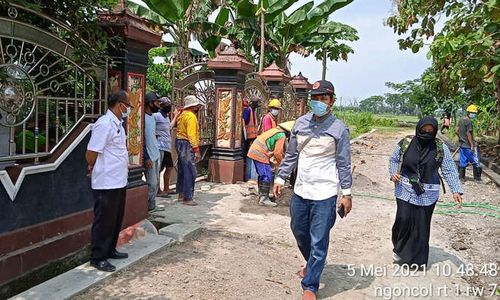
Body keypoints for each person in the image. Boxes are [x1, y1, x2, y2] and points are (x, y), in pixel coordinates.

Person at [273, 80, 352, 300]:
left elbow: (344, 163)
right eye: (315, 99)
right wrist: (280, 177)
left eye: (323, 98)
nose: (318, 102)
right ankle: (314, 262)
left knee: (319, 239)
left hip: (325, 193)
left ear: (332, 101)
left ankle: (310, 285)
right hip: (301, 189)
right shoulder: (300, 123)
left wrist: (347, 194)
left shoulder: (339, 129)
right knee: (298, 230)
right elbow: (291, 155)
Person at [389, 116, 463, 268]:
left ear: (435, 131)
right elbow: (394, 160)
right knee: (403, 219)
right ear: (419, 128)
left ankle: (416, 260)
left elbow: (449, 169)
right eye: (424, 130)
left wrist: (456, 190)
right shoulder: (406, 143)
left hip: (428, 193)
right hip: (405, 188)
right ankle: (399, 248)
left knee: (422, 225)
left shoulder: (440, 147)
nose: (427, 133)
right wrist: (393, 173)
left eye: (431, 131)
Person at [85, 89, 132, 272]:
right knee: (104, 220)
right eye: (128, 106)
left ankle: (110, 249)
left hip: (118, 180)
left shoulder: (117, 124)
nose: (129, 109)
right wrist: (92, 166)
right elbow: (91, 153)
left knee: (115, 218)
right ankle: (98, 257)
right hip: (106, 181)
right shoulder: (104, 124)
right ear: (121, 105)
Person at [247, 121, 294, 207]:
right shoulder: (281, 135)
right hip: (260, 152)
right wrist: (281, 166)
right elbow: (278, 153)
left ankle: (263, 195)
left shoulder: (275, 131)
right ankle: (264, 199)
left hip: (255, 150)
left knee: (263, 174)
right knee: (266, 174)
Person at [176, 95, 203, 206]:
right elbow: (191, 135)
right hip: (186, 144)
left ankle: (181, 194)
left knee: (182, 170)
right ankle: (187, 198)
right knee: (190, 172)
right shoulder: (191, 117)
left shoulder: (182, 115)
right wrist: (196, 150)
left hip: (179, 142)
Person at [154, 97, 180, 196]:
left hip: (166, 146)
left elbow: (169, 127)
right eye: (166, 105)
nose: (168, 107)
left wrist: (176, 116)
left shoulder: (165, 116)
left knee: (169, 167)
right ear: (161, 105)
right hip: (159, 145)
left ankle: (166, 187)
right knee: (158, 169)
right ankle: (158, 190)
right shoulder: (156, 115)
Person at [143, 91, 162, 211]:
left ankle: (153, 204)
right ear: (150, 103)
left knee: (156, 182)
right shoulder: (143, 118)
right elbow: (142, 139)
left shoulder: (152, 117)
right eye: (156, 102)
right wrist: (146, 157)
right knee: (152, 182)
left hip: (155, 153)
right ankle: (149, 206)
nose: (158, 105)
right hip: (149, 155)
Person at [456, 104, 481, 180]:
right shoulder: (469, 121)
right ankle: (477, 178)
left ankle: (461, 177)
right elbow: (468, 133)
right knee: (475, 161)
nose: (474, 114)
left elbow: (456, 131)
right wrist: (472, 145)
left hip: (462, 144)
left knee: (462, 161)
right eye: (473, 113)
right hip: (468, 145)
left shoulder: (461, 120)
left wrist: (461, 138)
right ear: (469, 112)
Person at [243, 97, 259, 183]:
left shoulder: (253, 111)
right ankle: (249, 176)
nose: (258, 105)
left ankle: (250, 176)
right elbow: (243, 121)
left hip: (253, 137)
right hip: (248, 138)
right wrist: (245, 136)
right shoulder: (248, 110)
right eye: (257, 103)